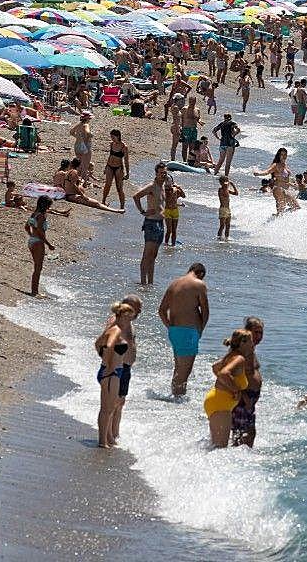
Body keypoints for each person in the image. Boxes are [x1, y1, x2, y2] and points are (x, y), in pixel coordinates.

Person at [158, 262, 209, 397]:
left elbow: (161, 310)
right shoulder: (199, 285)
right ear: (201, 274)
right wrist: (200, 330)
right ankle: (177, 404)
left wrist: (170, 327)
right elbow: (205, 311)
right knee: (184, 373)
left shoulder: (174, 284)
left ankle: (174, 397)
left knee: (178, 369)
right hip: (189, 332)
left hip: (175, 331)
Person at [94, 301, 134, 448]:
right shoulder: (116, 330)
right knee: (107, 409)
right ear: (121, 315)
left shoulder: (112, 329)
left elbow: (98, 343)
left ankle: (105, 439)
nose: (130, 321)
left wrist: (104, 359)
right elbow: (109, 346)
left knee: (109, 408)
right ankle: (102, 441)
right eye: (128, 317)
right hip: (111, 373)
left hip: (113, 371)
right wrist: (107, 365)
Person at [204, 329, 253, 448]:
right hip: (221, 405)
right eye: (251, 341)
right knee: (219, 449)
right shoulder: (239, 358)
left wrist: (227, 386)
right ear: (243, 343)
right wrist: (235, 390)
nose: (253, 344)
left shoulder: (231, 355)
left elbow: (215, 367)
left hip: (216, 400)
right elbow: (224, 373)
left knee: (214, 447)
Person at [132, 162, 169, 286]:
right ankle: (143, 282)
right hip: (151, 223)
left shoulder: (163, 186)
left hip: (160, 223)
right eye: (161, 173)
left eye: (165, 173)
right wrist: (143, 211)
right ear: (156, 173)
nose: (163, 175)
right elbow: (136, 196)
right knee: (147, 254)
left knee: (154, 255)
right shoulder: (152, 186)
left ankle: (150, 283)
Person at [24, 196, 68, 297]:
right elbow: (40, 231)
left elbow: (26, 227)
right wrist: (49, 244)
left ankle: (34, 290)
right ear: (46, 205)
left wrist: (31, 236)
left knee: (37, 267)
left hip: (31, 241)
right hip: (38, 242)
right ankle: (35, 292)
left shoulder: (34, 214)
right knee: (38, 268)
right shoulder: (41, 216)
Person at [231, 317, 264, 447]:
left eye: (261, 332)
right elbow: (229, 374)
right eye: (256, 332)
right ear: (247, 332)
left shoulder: (250, 350)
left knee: (249, 434)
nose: (259, 336)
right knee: (241, 435)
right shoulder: (241, 351)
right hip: (243, 399)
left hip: (249, 399)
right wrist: (243, 396)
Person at [101, 129, 129, 207]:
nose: (112, 138)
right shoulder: (112, 144)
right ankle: (103, 201)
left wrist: (127, 173)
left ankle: (122, 206)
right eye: (111, 137)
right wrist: (106, 167)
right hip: (110, 166)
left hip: (118, 168)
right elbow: (110, 156)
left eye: (113, 137)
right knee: (107, 185)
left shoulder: (124, 147)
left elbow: (126, 161)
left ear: (118, 136)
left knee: (119, 188)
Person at [162, 178, 186, 246]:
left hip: (175, 211)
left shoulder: (176, 190)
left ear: (172, 182)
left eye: (169, 182)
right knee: (169, 230)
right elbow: (168, 200)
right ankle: (166, 244)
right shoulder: (164, 190)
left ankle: (173, 245)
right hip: (167, 211)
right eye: (166, 182)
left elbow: (184, 196)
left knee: (174, 231)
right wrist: (173, 190)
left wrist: (180, 188)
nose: (167, 183)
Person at [216, 176, 238, 241]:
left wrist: (233, 185)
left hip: (228, 209)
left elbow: (236, 193)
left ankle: (226, 238)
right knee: (222, 225)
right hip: (223, 209)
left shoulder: (227, 190)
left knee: (228, 226)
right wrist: (228, 182)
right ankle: (219, 238)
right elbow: (225, 186)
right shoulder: (221, 189)